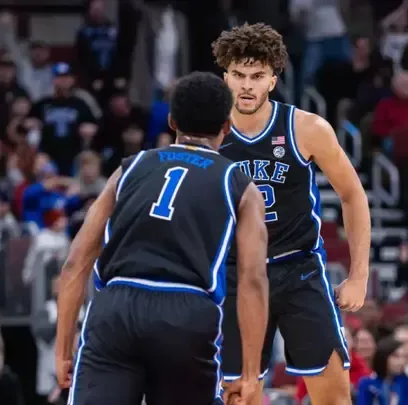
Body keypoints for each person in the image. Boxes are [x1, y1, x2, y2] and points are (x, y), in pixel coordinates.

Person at [54, 72, 269, 405]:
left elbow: (75, 262)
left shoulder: (129, 168)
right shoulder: (241, 185)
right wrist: (251, 375)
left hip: (116, 308)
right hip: (186, 312)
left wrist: (63, 350)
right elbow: (253, 279)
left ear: (171, 122)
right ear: (227, 126)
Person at [212, 23, 371, 405]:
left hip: (298, 267)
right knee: (239, 396)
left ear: (273, 79)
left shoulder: (306, 127)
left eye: (257, 76)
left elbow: (353, 194)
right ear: (225, 77)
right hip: (236, 274)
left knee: (335, 397)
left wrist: (358, 275)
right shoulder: (208, 133)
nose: (246, 85)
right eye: (238, 75)